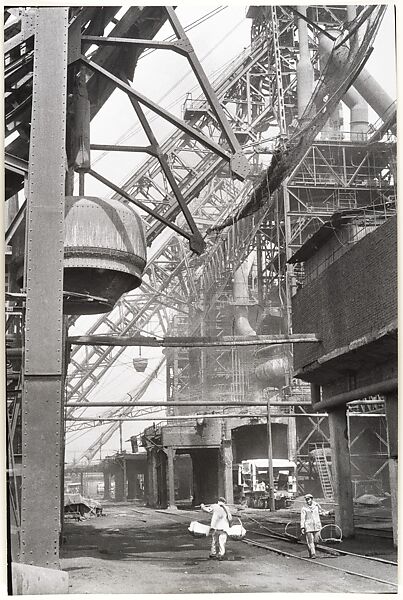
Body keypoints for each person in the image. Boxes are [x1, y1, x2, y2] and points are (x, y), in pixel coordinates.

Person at [300, 493, 332, 559]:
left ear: (312, 499)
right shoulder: (304, 508)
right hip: (308, 526)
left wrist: (328, 513)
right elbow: (302, 518)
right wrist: (302, 527)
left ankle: (311, 549)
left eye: (308, 499)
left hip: (317, 526)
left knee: (316, 541)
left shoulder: (317, 506)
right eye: (306, 499)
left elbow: (322, 512)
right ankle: (313, 553)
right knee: (310, 540)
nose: (307, 501)